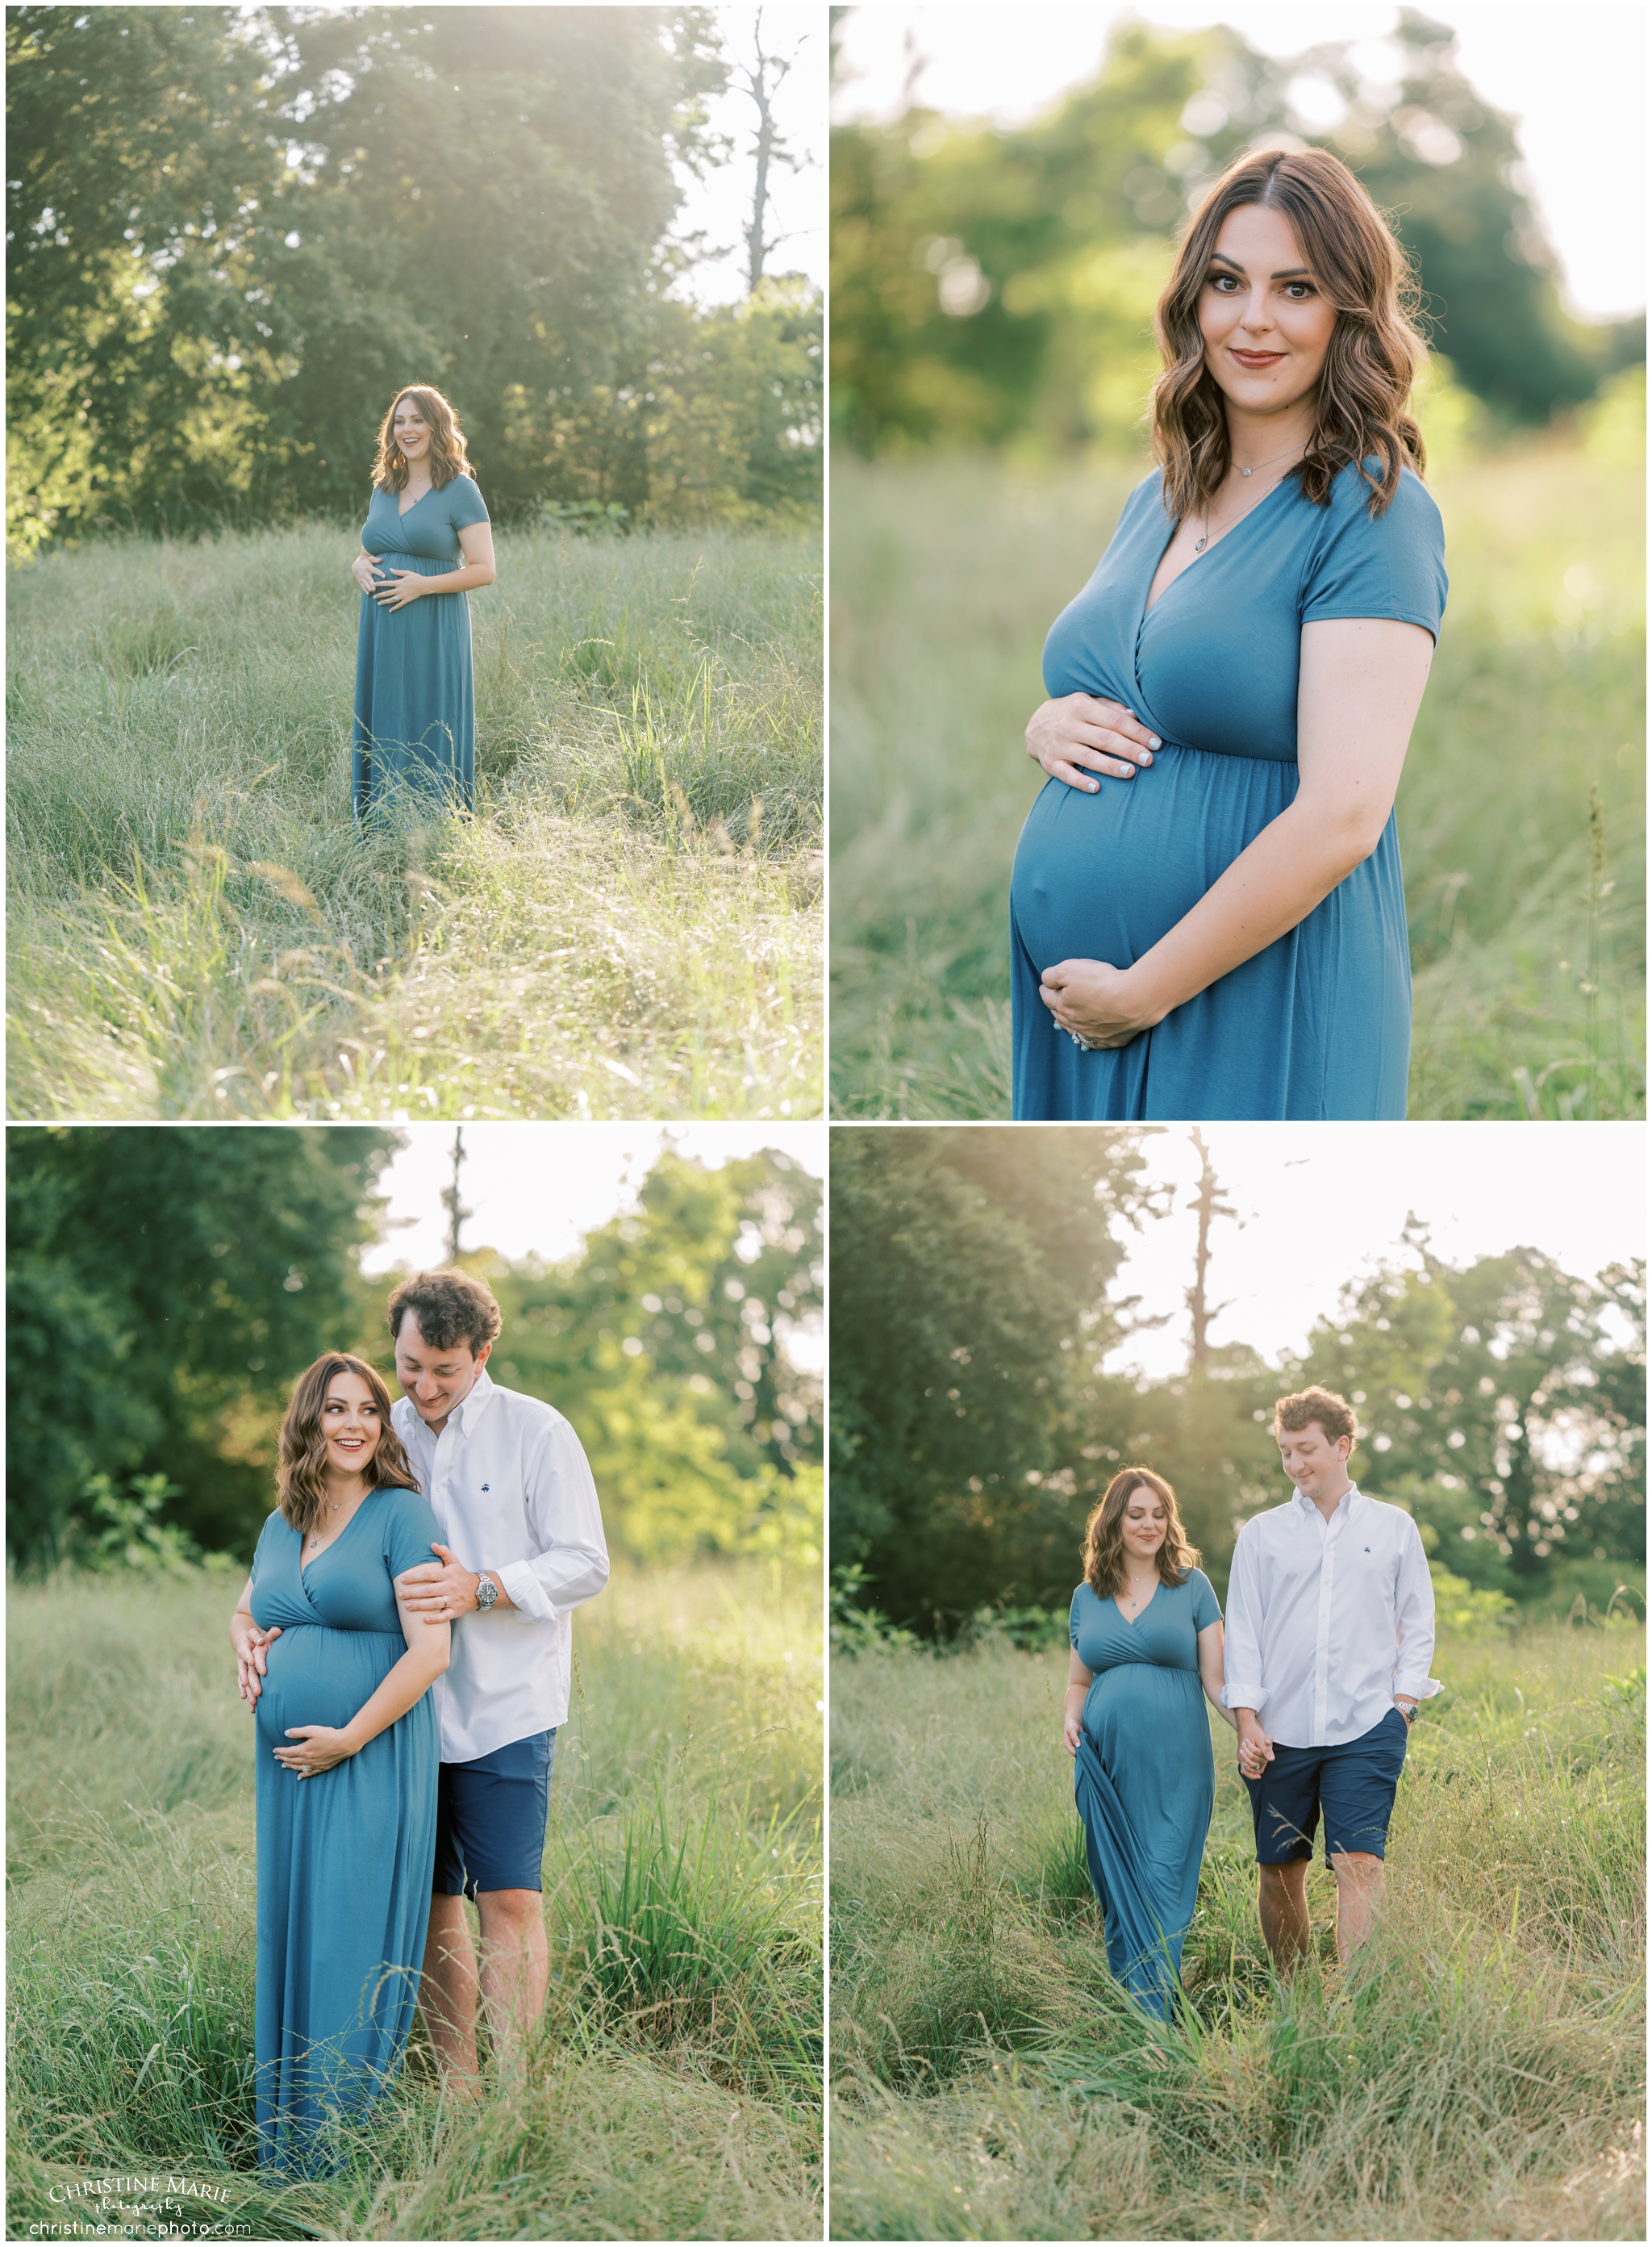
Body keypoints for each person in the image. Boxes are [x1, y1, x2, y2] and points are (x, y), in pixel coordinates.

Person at [1012, 147, 1447, 1120]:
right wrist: (1046, 725)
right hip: (1088, 1013)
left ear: (1347, 312)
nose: (1252, 318)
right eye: (1225, 282)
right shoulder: (1155, 498)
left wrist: (1143, 990)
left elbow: (1343, 813)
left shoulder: (1372, 510)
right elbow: (1135, 680)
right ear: (1190, 303)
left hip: (1259, 988)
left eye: (1294, 288)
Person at [385, 1268, 609, 2078]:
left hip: (508, 1704)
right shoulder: (382, 1431)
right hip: (404, 1706)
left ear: (481, 1354)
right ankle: (458, 2082)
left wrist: (480, 1587)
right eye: (412, 1365)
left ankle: (514, 2088)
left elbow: (586, 1562)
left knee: (507, 1898)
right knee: (435, 1902)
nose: (426, 1385)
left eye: (446, 1368)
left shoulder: (537, 1431)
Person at [228, 1355, 448, 2177]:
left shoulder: (400, 1514)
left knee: (346, 1940)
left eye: (368, 1409)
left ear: (382, 1425)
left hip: (369, 1755)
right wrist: (242, 1643)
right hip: (287, 1773)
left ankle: (343, 2153)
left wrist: (349, 1736)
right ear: (308, 1421)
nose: (353, 1423)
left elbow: (431, 1652)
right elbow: (249, 1605)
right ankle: (285, 2150)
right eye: (335, 1408)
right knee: (295, 1932)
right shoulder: (283, 1519)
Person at [1224, 1385, 1440, 1973]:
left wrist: (1402, 1703)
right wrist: (1247, 1720)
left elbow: (1417, 1620)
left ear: (1342, 1446)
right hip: (1279, 1731)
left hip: (1368, 1724)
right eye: (1285, 1451)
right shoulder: (1261, 1534)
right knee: (1279, 1869)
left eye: (1306, 1449)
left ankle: (1358, 2005)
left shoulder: (1394, 1526)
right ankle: (1298, 2007)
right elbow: (1241, 1631)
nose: (1295, 1464)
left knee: (1361, 1864)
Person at [1063, 1468, 1237, 2021]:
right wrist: (1070, 1716)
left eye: (1159, 1513)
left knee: (1163, 1877)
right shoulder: (1087, 1596)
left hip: (1177, 1765)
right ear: (1114, 1520)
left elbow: (1217, 1678)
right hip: (1104, 1766)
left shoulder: (1192, 1586)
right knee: (1120, 1891)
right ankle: (1136, 2018)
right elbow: (1078, 1679)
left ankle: (1155, 2025)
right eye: (1137, 1513)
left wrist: (1250, 1729)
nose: (1150, 1524)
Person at [352, 384, 497, 822]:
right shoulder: (384, 486)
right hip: (381, 629)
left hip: (434, 624)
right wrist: (357, 565)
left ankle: (435, 824)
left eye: (417, 420)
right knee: (387, 716)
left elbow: (484, 569)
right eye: (399, 421)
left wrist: (422, 586)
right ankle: (381, 825)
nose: (407, 429)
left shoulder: (460, 489)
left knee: (429, 716)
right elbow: (371, 547)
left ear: (438, 426)